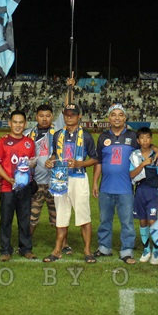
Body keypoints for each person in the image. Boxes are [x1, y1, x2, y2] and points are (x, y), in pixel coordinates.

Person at [43, 103, 98, 263]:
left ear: (79, 116)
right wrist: (50, 161)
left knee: (83, 215)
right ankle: (57, 250)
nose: (69, 117)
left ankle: (87, 251)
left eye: (72, 114)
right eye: (66, 114)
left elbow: (95, 159)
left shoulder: (86, 136)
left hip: (78, 179)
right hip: (60, 178)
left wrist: (80, 164)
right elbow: (55, 154)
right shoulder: (57, 135)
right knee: (61, 215)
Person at [92, 103, 139, 264]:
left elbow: (146, 148)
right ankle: (104, 247)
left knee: (127, 222)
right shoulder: (103, 137)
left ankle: (127, 249)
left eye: (120, 115)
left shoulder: (133, 136)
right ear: (109, 118)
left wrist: (157, 150)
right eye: (113, 114)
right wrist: (95, 182)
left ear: (125, 118)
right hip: (106, 187)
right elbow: (99, 162)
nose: (117, 118)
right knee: (105, 220)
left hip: (126, 187)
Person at [25, 103, 71, 255]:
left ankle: (64, 244)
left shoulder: (58, 130)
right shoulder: (29, 134)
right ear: (36, 117)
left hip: (55, 182)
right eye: (41, 116)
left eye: (47, 116)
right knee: (31, 217)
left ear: (52, 117)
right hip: (36, 183)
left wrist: (70, 89)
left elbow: (67, 106)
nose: (44, 119)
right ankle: (26, 243)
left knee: (59, 216)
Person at [0, 110, 37, 261]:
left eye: (21, 122)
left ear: (25, 124)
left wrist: (30, 165)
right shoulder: (2, 141)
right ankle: (5, 250)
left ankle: (26, 249)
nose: (18, 125)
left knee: (24, 219)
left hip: (24, 187)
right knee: (6, 220)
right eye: (15, 122)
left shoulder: (29, 142)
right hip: (7, 187)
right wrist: (9, 179)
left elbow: (31, 163)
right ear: (10, 123)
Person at [130, 126, 158, 265]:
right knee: (142, 221)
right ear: (138, 140)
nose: (145, 140)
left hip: (153, 192)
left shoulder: (156, 156)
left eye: (147, 137)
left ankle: (156, 250)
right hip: (140, 191)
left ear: (151, 139)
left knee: (152, 221)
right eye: (142, 138)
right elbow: (131, 175)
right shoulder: (134, 156)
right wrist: (143, 164)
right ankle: (146, 249)